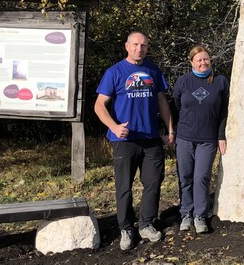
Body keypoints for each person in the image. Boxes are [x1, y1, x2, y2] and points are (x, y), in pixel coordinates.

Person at [94, 31, 175, 251]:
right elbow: (99, 105)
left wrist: (170, 129)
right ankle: (126, 228)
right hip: (125, 139)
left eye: (144, 45)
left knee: (153, 182)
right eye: (136, 45)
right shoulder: (115, 72)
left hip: (150, 138)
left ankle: (146, 224)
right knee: (124, 187)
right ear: (127, 46)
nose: (140, 49)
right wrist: (113, 126)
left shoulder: (153, 70)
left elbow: (162, 102)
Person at [173, 46, 229, 234]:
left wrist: (221, 136)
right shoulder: (183, 81)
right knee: (185, 177)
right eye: (199, 60)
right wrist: (172, 132)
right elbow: (176, 106)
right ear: (191, 62)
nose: (203, 62)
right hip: (185, 137)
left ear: (210, 61)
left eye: (206, 59)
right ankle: (186, 214)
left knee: (201, 177)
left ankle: (200, 215)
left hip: (208, 139)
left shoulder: (220, 82)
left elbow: (224, 112)